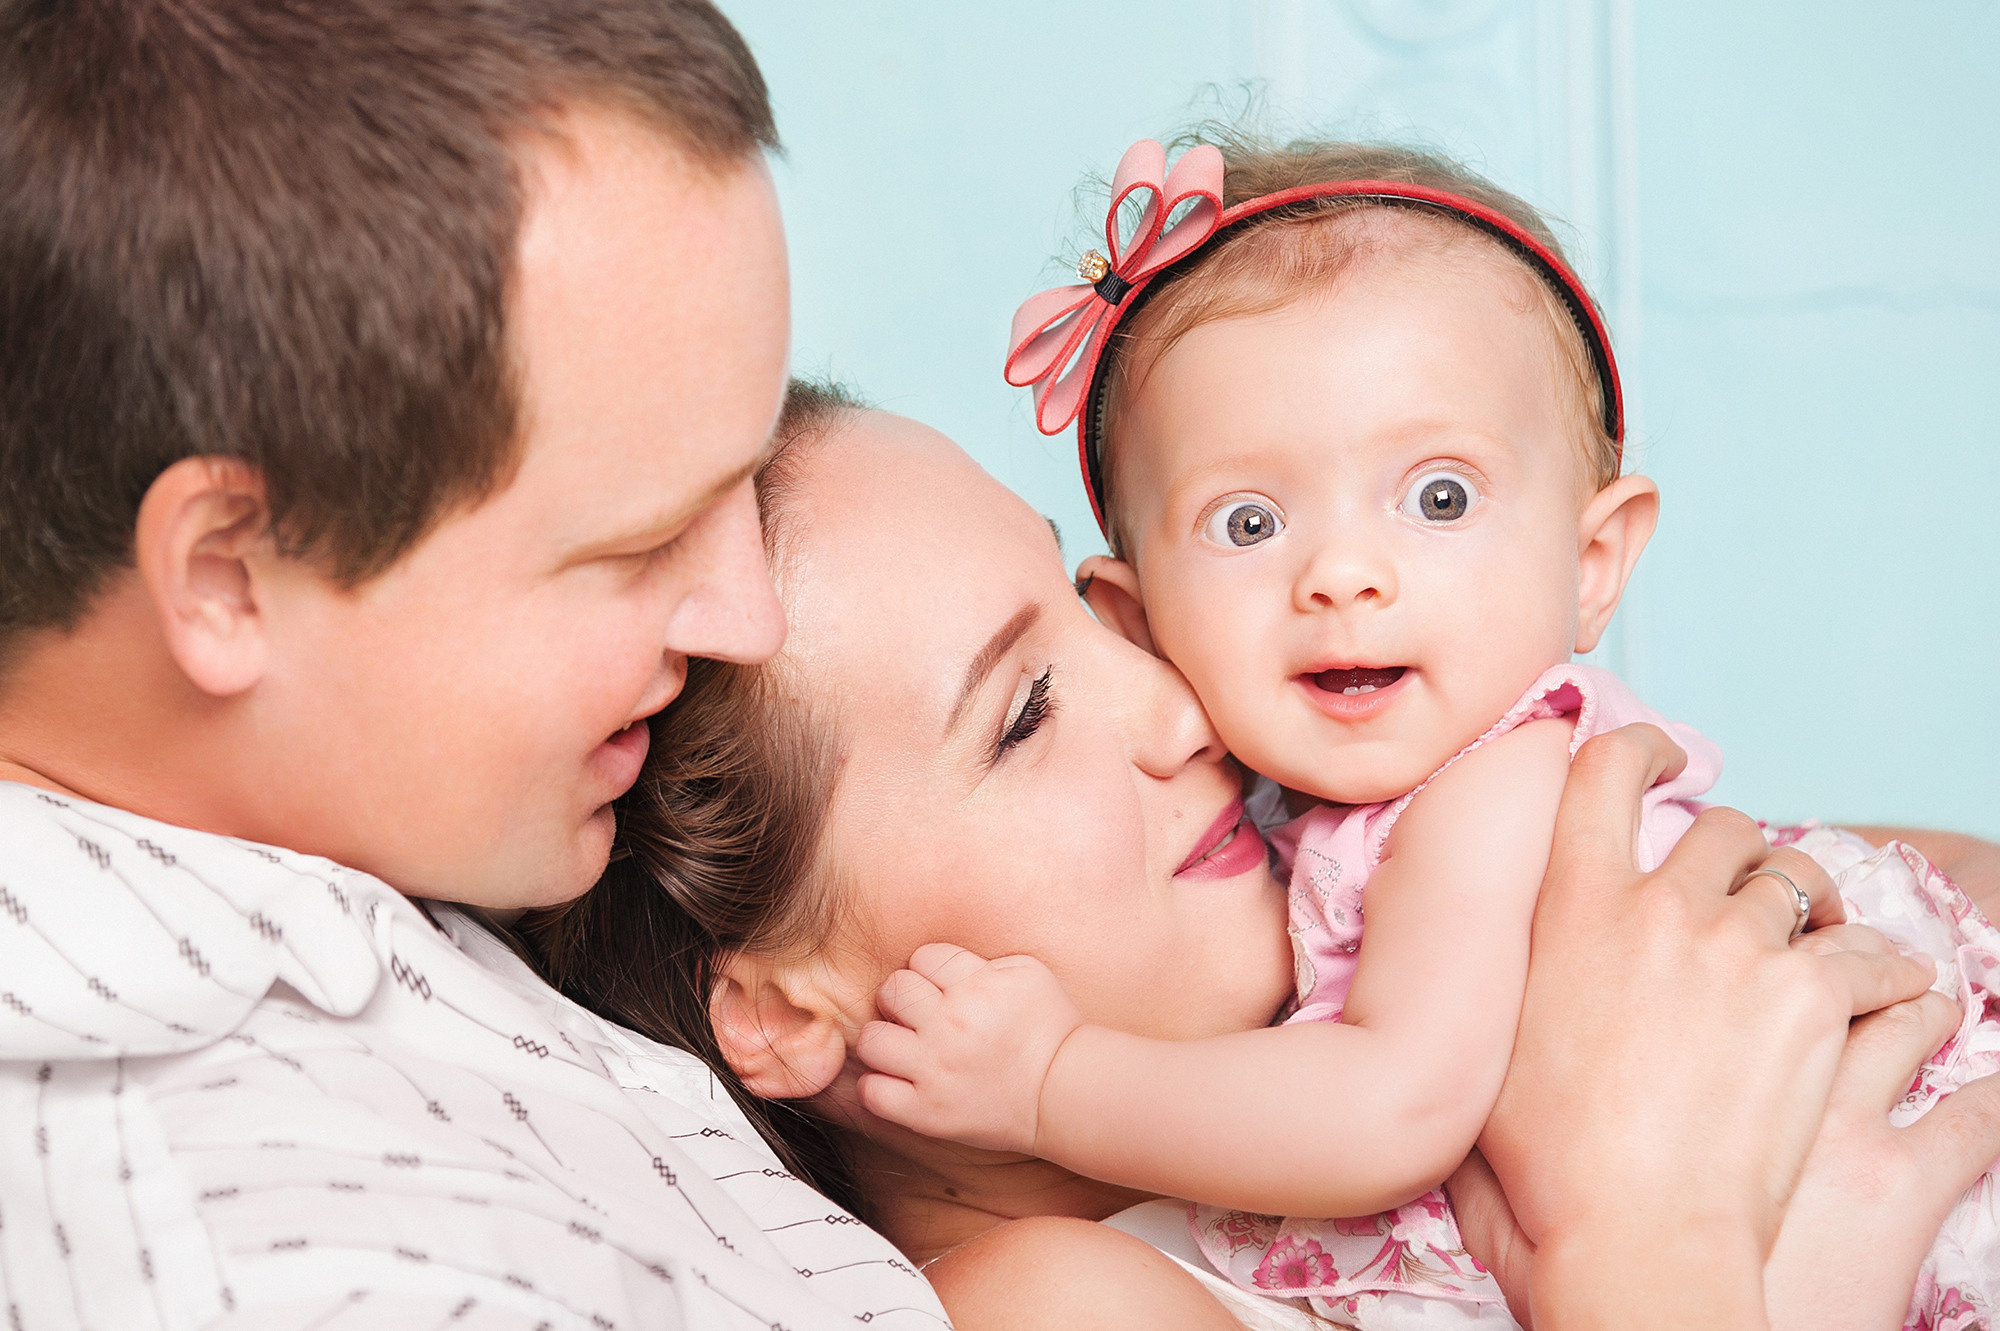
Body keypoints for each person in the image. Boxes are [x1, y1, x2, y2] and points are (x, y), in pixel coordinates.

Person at [840, 134, 2000, 1329]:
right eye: (1246, 522)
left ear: (1590, 562)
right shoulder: (1304, 822)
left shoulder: (1489, 781)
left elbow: (1392, 1104)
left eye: (1438, 497)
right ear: (1140, 618)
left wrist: (1050, 1078)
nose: (1341, 573)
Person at [534, 387, 2000, 1330]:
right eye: (1026, 713)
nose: (1184, 705)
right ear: (790, 1004)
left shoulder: (1398, 906)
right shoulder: (1056, 1302)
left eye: (1097, 612)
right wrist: (1667, 1234)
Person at [0, 3, 946, 1326]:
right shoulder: (275, 1251)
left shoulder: (378, 828)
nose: (748, 616)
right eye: (646, 537)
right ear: (227, 572)